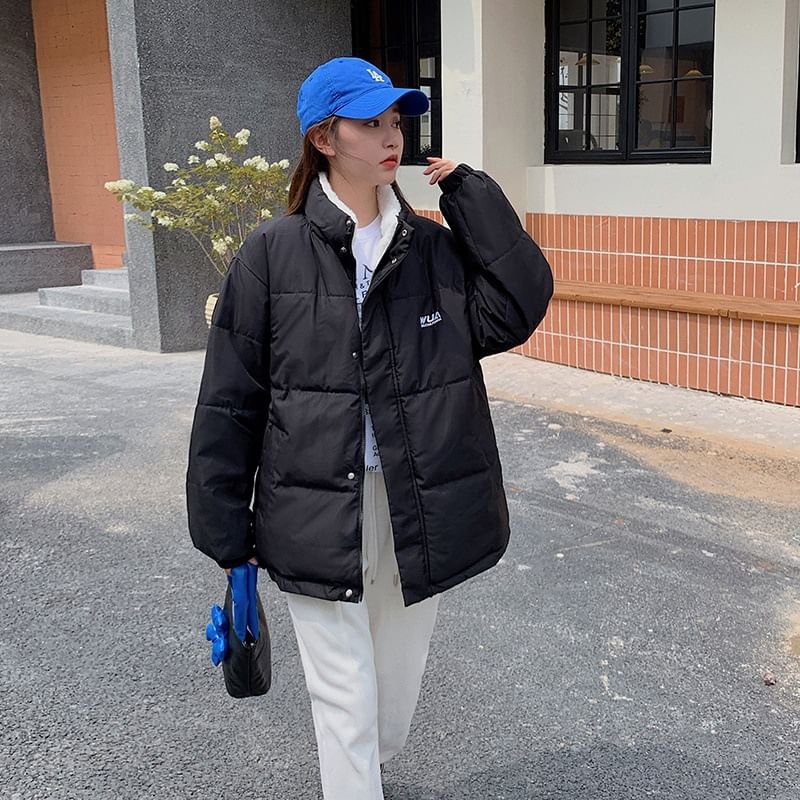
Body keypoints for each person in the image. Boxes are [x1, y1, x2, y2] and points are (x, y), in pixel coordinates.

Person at [186, 56, 554, 799]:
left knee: (393, 682)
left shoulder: (432, 250)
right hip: (311, 505)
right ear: (324, 138)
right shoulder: (270, 254)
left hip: (417, 497)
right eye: (371, 122)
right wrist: (226, 528)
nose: (393, 137)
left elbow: (516, 307)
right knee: (344, 693)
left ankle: (369, 768)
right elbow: (231, 397)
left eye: (396, 121)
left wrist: (471, 196)